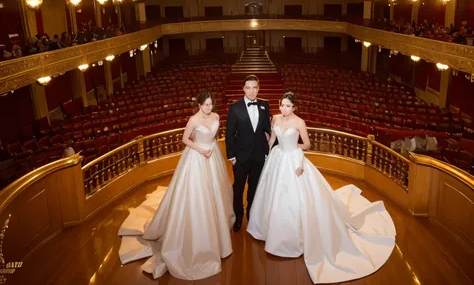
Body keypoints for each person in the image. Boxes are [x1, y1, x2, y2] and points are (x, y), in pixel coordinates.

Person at [247, 92, 396, 284]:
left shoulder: (299, 122)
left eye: (287, 106)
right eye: (282, 105)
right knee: (271, 195)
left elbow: (307, 144)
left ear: (294, 107)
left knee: (294, 200)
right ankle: (266, 230)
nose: (283, 109)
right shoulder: (275, 117)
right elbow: (271, 140)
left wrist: (295, 153)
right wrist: (265, 154)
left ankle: (291, 238)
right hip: (276, 158)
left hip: (294, 159)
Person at [118, 92, 234, 280]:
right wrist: (200, 149)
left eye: (211, 104)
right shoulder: (193, 120)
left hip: (213, 156)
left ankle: (217, 224)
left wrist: (211, 148)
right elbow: (185, 139)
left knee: (217, 191)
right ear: (198, 105)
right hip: (197, 156)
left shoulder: (216, 117)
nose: (208, 108)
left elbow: (214, 136)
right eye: (205, 105)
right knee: (197, 195)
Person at [225, 74, 271, 232]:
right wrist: (231, 156)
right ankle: (239, 216)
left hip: (259, 156)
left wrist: (267, 152)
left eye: (255, 87)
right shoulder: (235, 107)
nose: (252, 91)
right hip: (240, 157)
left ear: (259, 88)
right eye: (248, 88)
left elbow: (267, 130)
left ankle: (252, 214)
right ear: (243, 89)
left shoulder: (265, 105)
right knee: (238, 188)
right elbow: (230, 134)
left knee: (254, 187)